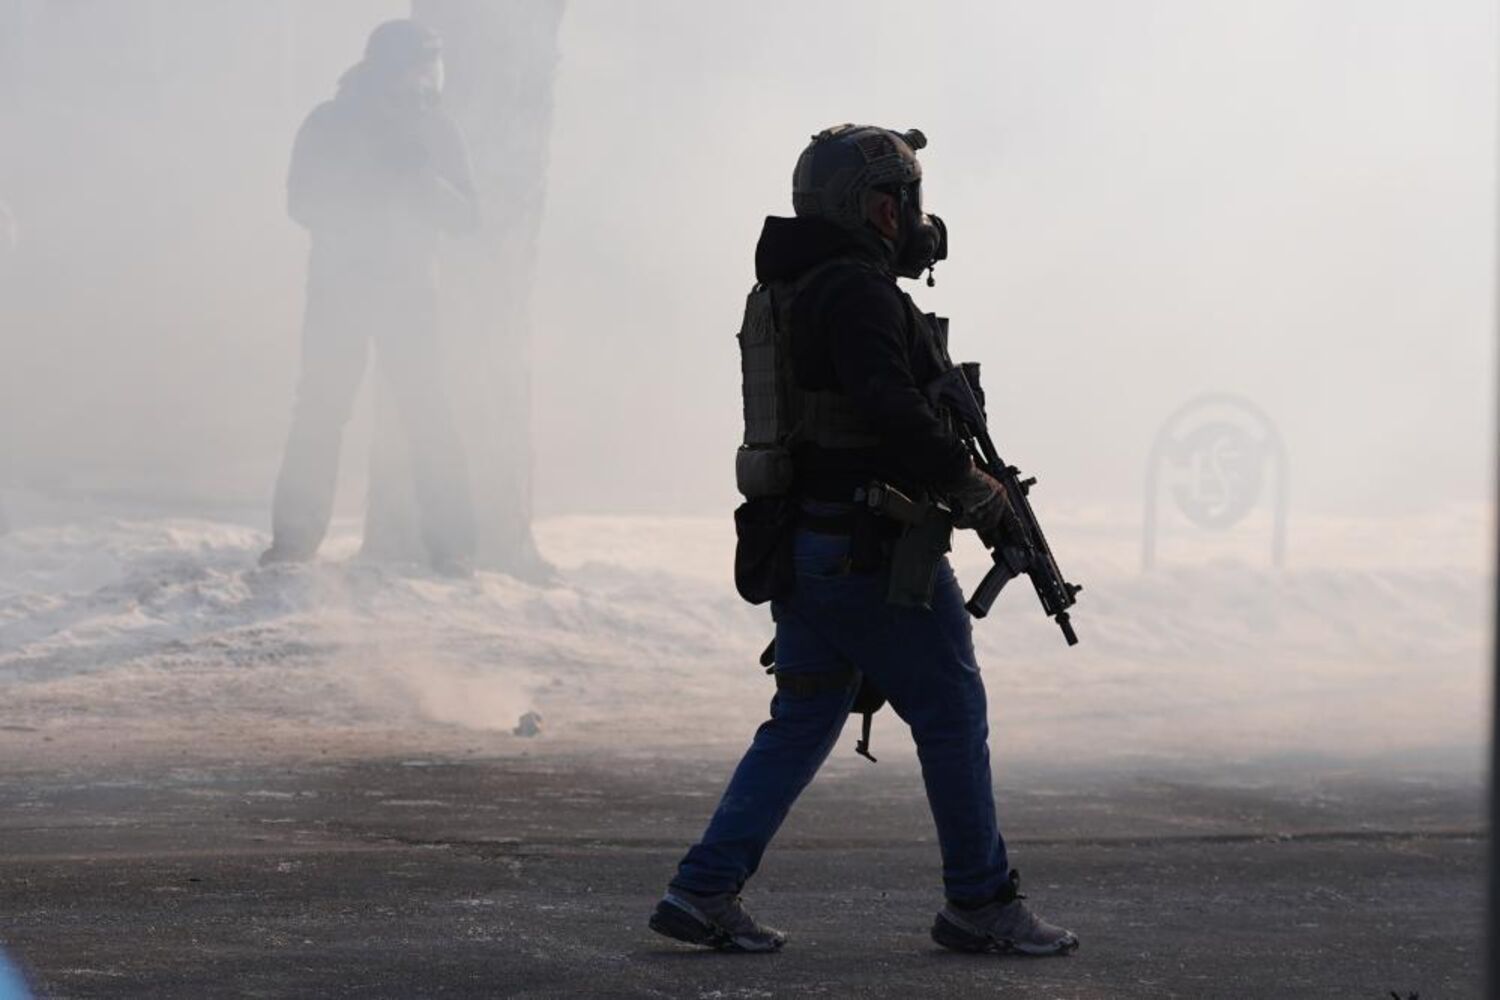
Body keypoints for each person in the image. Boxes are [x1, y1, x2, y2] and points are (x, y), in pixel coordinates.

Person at [649, 125, 1079, 956]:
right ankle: (981, 902)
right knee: (951, 710)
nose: (917, 218)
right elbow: (892, 407)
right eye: (907, 200)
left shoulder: (799, 285)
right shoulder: (855, 291)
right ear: (882, 208)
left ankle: (701, 889)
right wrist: (971, 487)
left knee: (805, 716)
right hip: (870, 550)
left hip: (809, 543)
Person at [262, 19, 478, 574]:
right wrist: (364, 186)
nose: (427, 78)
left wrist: (422, 180)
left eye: (431, 66)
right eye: (419, 65)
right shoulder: (331, 123)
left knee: (428, 413)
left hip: (411, 294)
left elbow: (468, 218)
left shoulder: (436, 130)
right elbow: (301, 202)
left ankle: (454, 547)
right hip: (340, 290)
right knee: (321, 409)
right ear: (389, 67)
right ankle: (293, 541)